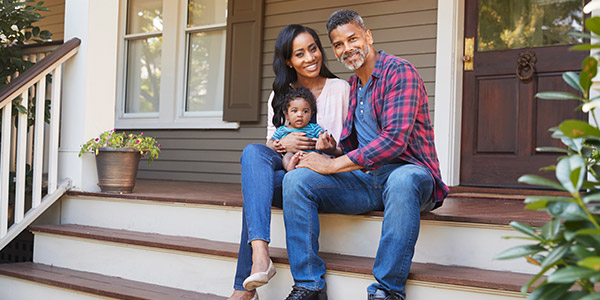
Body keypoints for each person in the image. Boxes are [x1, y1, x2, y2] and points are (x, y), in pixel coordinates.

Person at [282, 10, 449, 300]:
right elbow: (356, 147)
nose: (347, 48)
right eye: (338, 44)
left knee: (403, 180)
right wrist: (329, 149)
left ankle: (387, 291)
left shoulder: (399, 71)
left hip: (409, 174)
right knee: (296, 181)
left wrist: (332, 164)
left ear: (368, 36)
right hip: (368, 180)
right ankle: (308, 285)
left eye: (352, 39)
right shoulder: (354, 85)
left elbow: (394, 142)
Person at [228, 24, 349, 300]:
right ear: (288, 61)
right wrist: (284, 146)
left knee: (255, 189)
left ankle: (242, 289)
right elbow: (270, 151)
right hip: (290, 172)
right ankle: (261, 256)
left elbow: (353, 150)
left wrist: (332, 149)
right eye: (299, 53)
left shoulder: (341, 90)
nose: (309, 58)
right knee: (253, 153)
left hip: (324, 178)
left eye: (313, 49)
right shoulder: (279, 97)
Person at [271, 87, 338, 171]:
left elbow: (323, 137)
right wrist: (275, 145)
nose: (300, 115)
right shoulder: (282, 130)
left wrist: (324, 140)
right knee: (287, 156)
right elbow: (271, 141)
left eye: (305, 111)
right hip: (291, 155)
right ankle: (290, 167)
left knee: (317, 157)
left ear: (311, 114)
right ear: (286, 115)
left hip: (309, 156)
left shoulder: (314, 128)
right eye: (294, 111)